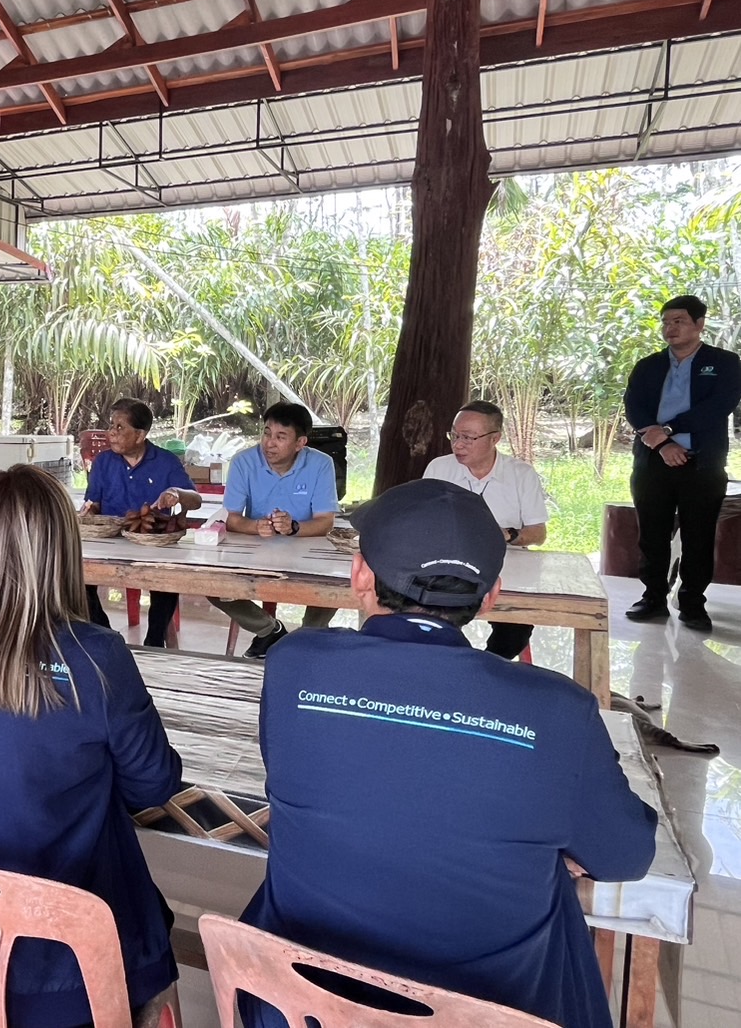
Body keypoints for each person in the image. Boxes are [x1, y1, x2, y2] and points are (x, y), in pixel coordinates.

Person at [240, 478, 657, 1028]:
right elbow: (624, 856)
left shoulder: (295, 666)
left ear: (360, 574)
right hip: (488, 1013)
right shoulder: (557, 711)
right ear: (491, 596)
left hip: (299, 1006)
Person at [0, 464, 183, 1027]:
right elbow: (154, 785)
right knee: (143, 909)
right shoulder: (95, 657)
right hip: (62, 991)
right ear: (63, 552)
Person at [623, 294, 741, 633]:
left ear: (699, 324)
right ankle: (653, 598)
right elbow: (634, 407)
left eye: (679, 321)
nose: (670, 328)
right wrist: (662, 444)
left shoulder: (724, 362)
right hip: (653, 461)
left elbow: (719, 406)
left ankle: (692, 603)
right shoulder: (648, 365)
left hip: (702, 464)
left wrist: (670, 430)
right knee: (652, 534)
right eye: (666, 322)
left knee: (698, 536)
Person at [211, 401, 338, 654]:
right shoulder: (243, 462)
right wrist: (255, 526)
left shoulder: (321, 464)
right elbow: (231, 519)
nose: (269, 443)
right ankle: (269, 630)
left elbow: (326, 522)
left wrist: (294, 528)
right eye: (267, 433)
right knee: (212, 585)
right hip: (258, 549)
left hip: (307, 549)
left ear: (300, 443)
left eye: (281, 437)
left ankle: (306, 637)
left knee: (334, 584)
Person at [423, 400, 548, 658]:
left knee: (515, 628)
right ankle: (451, 663)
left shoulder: (521, 475)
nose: (458, 444)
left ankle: (487, 666)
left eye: (468, 437)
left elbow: (538, 533)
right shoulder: (439, 468)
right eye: (454, 435)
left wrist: (509, 535)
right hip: (450, 566)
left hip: (506, 568)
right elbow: (425, 521)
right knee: (427, 615)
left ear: (495, 439)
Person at [80, 398, 202, 647]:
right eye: (111, 425)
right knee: (78, 578)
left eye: (119, 427)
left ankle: (154, 641)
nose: (111, 433)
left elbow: (196, 500)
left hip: (153, 544)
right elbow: (94, 504)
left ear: (140, 435)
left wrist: (177, 493)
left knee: (167, 578)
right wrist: (88, 511)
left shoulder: (165, 461)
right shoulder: (103, 462)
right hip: (111, 542)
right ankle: (107, 637)